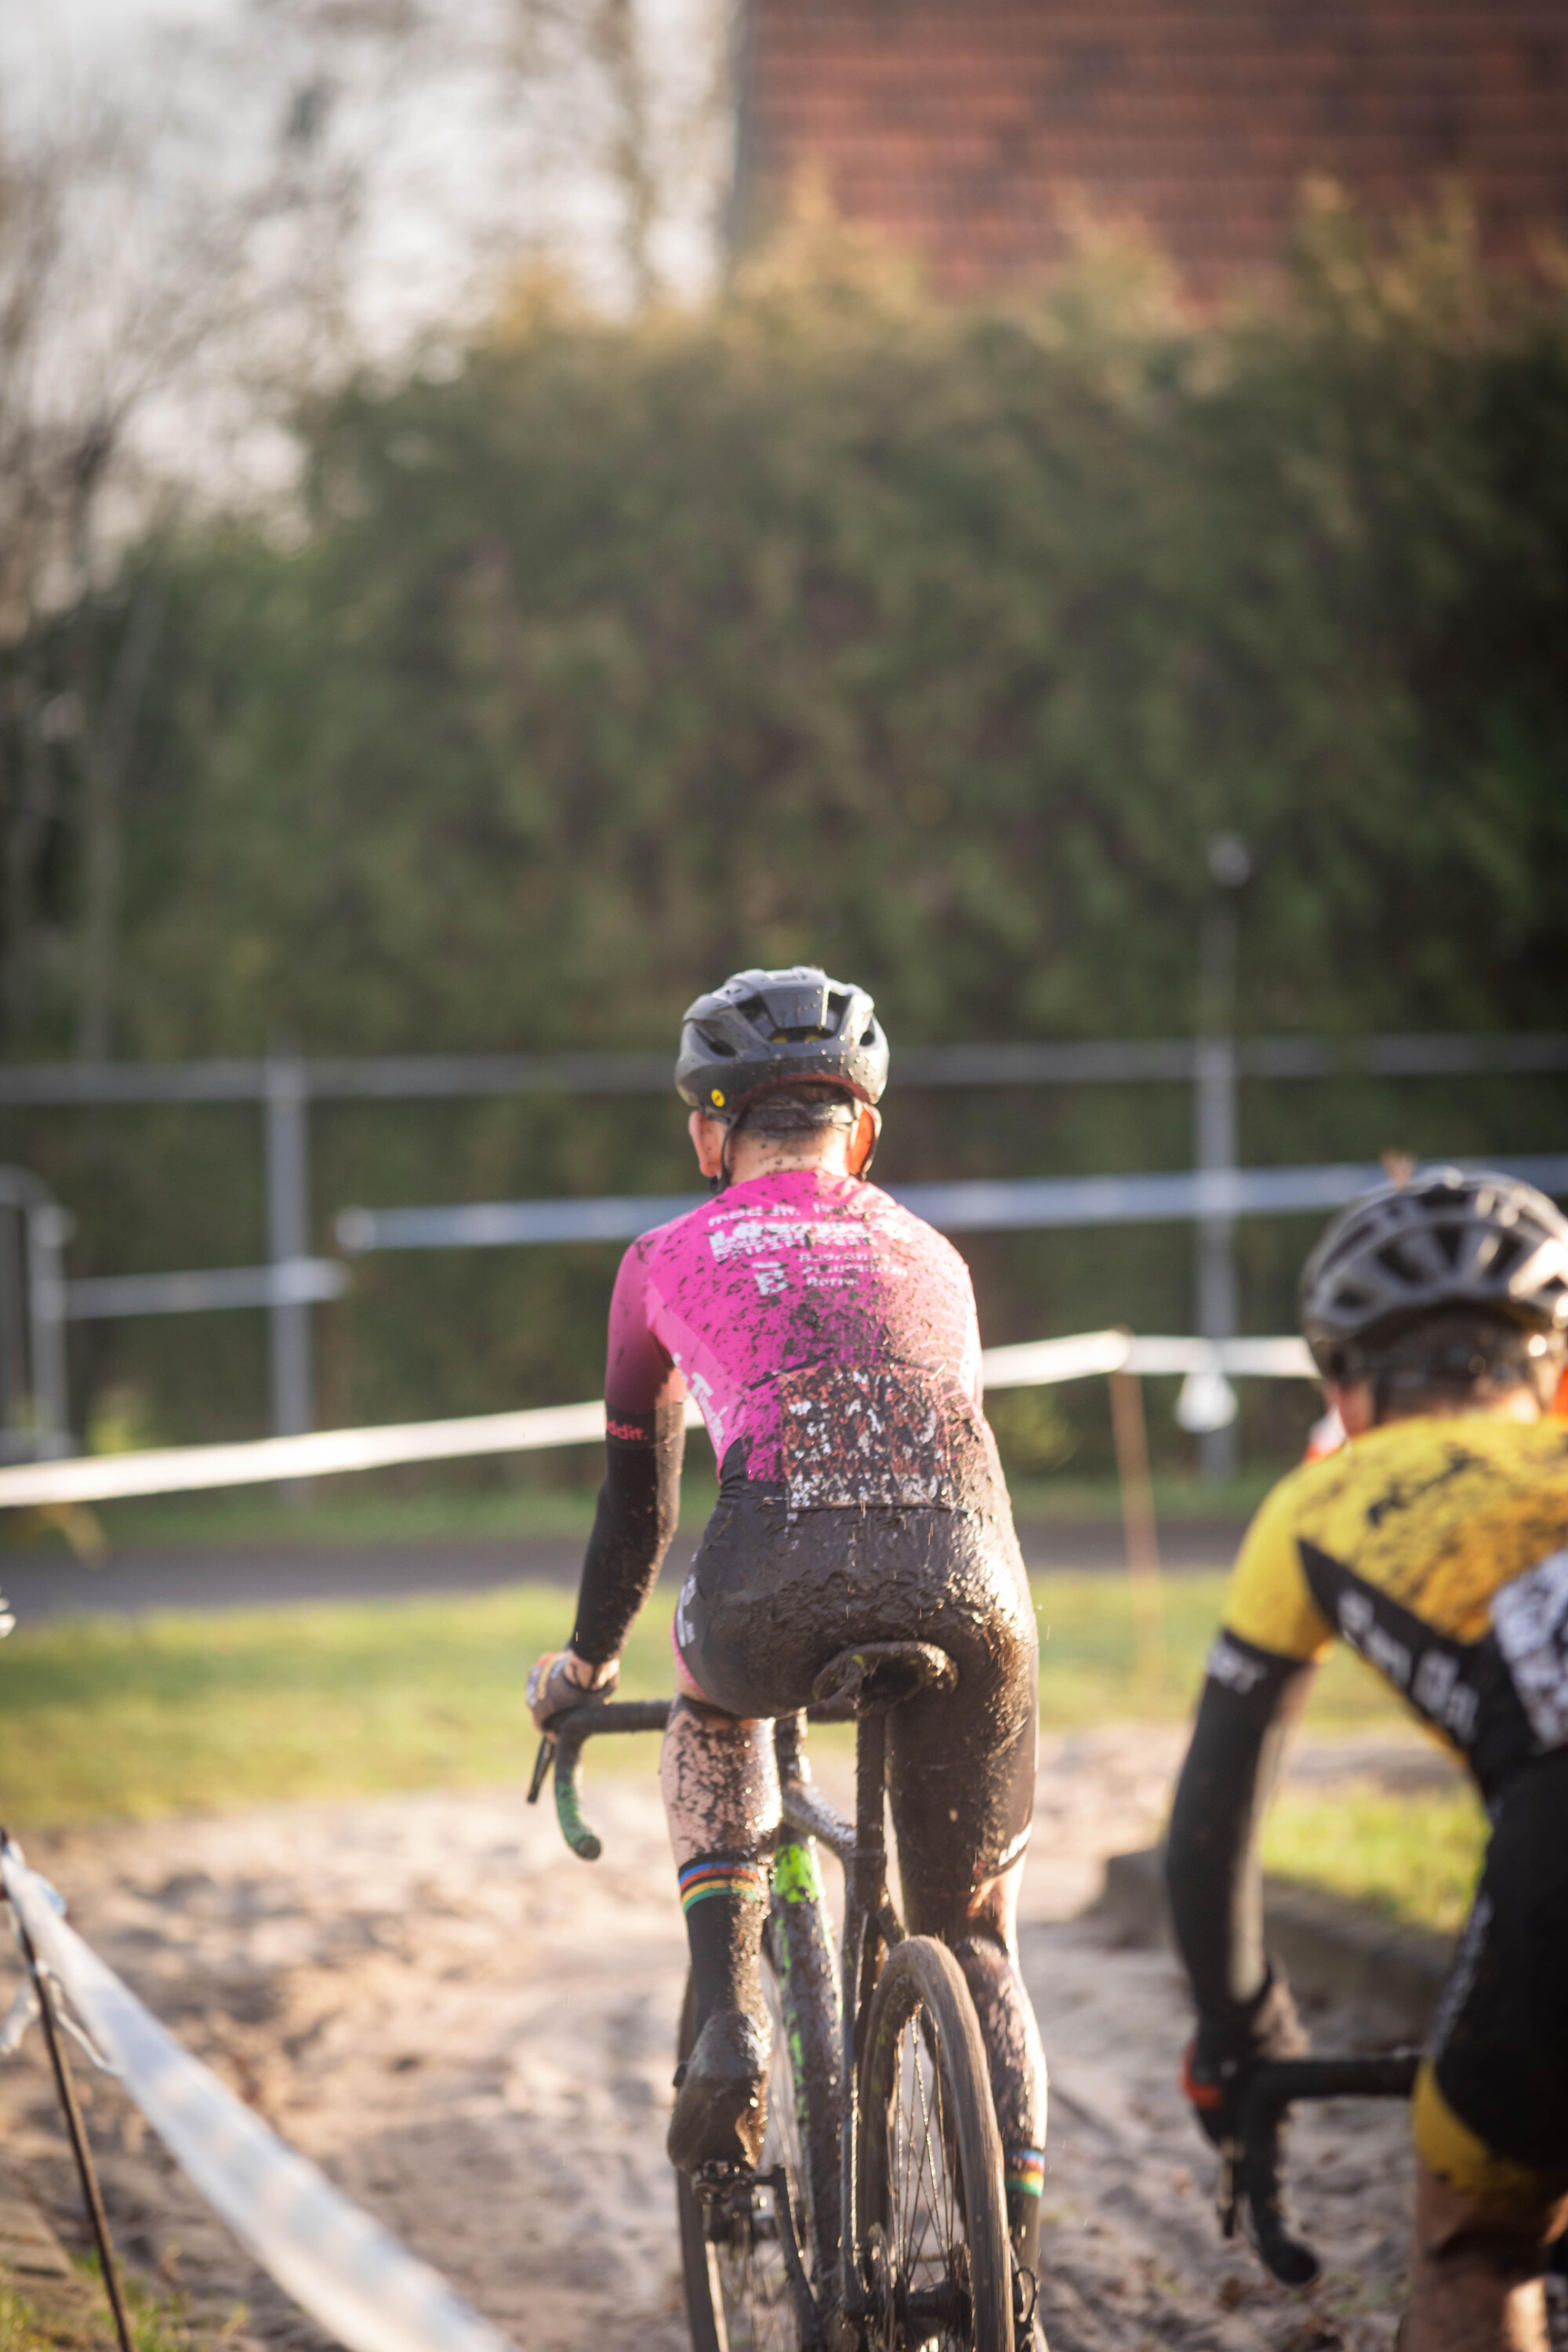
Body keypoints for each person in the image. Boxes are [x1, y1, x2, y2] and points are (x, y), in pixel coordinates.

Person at [526, 965, 1047, 2288]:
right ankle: (1015, 2264)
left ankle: (729, 2016)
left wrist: (586, 1666)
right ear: (862, 1131)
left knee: (717, 1713)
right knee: (976, 1931)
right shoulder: (938, 1252)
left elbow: (636, 1507)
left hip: (770, 1581)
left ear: (709, 1133)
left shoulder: (659, 1262)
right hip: (974, 1583)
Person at [1163, 1167, 1568, 2352]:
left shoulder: (1317, 1502)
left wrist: (1242, 2040)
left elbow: (1210, 1834)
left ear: (1341, 1387)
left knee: (1477, 2241)